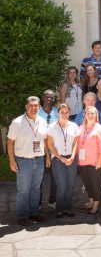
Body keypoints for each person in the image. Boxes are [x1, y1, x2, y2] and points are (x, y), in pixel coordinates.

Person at [7, 96, 48, 226]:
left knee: (36, 189)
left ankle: (34, 213)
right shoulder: (17, 122)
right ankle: (22, 216)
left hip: (39, 160)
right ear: (26, 106)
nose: (33, 108)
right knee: (23, 190)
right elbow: (10, 142)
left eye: (36, 106)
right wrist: (12, 160)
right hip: (23, 161)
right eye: (31, 105)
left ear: (39, 107)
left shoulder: (42, 121)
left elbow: (45, 140)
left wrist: (47, 156)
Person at [46, 103, 79, 218]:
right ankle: (59, 209)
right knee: (61, 186)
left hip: (71, 158)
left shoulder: (74, 126)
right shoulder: (52, 127)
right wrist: (61, 158)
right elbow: (50, 145)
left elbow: (75, 143)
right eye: (62, 112)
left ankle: (67, 209)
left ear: (69, 113)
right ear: (58, 113)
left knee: (70, 185)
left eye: (67, 112)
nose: (65, 115)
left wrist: (72, 157)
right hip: (58, 159)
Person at [77, 106, 101, 216]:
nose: (90, 115)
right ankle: (90, 203)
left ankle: (95, 206)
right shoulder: (80, 128)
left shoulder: (100, 129)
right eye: (88, 113)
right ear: (85, 115)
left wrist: (99, 161)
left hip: (96, 162)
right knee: (87, 184)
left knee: (96, 185)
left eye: (92, 113)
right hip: (83, 161)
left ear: (96, 115)